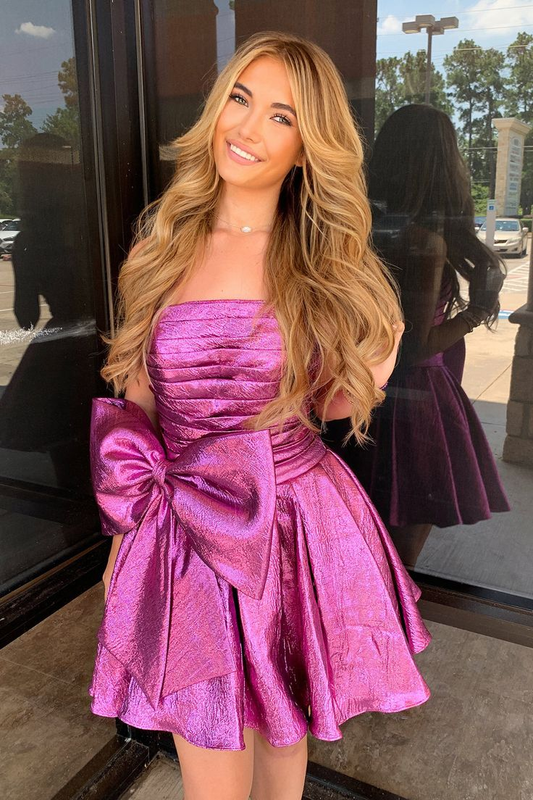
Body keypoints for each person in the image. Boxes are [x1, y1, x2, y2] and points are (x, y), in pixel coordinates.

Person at [87, 33, 432, 800]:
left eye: (281, 116)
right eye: (240, 100)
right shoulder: (159, 247)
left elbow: (325, 407)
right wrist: (123, 539)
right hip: (180, 534)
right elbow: (137, 403)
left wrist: (375, 370)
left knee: (281, 740)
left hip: (290, 520)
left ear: (308, 147)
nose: (247, 128)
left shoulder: (320, 262)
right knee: (210, 754)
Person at [324, 104, 510, 570]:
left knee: (354, 537)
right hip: (412, 404)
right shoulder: (425, 242)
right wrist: (477, 312)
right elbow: (414, 348)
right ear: (441, 164)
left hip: (351, 390)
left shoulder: (355, 232)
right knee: (398, 556)